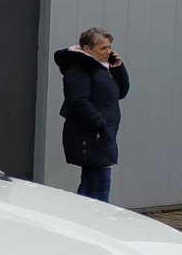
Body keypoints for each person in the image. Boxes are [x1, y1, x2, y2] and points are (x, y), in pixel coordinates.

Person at [55, 27, 129, 202]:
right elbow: (78, 101)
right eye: (103, 48)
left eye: (109, 47)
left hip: (102, 135)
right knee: (98, 186)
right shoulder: (79, 68)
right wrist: (100, 124)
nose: (108, 51)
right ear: (87, 49)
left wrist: (118, 69)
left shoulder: (100, 68)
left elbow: (120, 93)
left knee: (91, 186)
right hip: (91, 136)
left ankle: (82, 217)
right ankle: (95, 218)